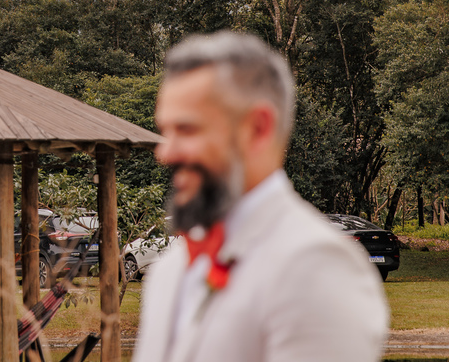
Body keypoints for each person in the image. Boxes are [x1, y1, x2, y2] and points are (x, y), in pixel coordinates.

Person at [132, 32, 388, 362]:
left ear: (258, 129)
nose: (164, 153)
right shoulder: (170, 271)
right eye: (165, 131)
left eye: (187, 129)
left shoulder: (315, 266)